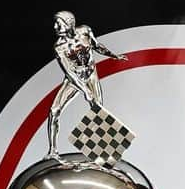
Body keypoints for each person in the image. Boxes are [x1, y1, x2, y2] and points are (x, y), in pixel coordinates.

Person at [46, 10, 127, 157]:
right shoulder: (60, 46)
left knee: (98, 110)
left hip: (90, 76)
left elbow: (97, 46)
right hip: (75, 80)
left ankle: (105, 152)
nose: (55, 27)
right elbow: (69, 73)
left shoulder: (85, 31)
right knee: (54, 111)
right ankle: (52, 151)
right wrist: (85, 91)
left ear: (69, 23)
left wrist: (114, 55)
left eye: (59, 23)